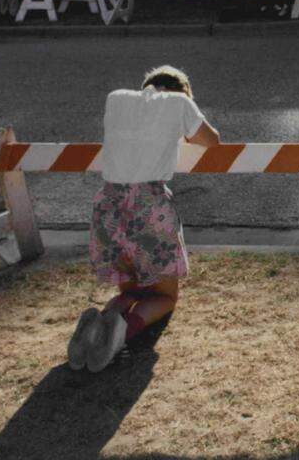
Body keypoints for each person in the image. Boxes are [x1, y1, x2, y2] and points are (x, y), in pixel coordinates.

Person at [72, 66, 221, 373]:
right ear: (183, 91)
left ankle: (98, 328)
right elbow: (211, 140)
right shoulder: (180, 102)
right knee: (165, 296)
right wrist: (182, 122)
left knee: (130, 290)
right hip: (148, 206)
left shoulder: (115, 98)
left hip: (109, 205)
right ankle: (121, 334)